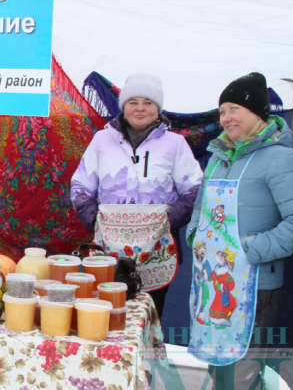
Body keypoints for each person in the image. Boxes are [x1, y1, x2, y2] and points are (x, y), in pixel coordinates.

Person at [185, 72, 293, 389]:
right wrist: (195, 237)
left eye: (234, 109)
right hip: (214, 282)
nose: (225, 118)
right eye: (222, 111)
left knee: (241, 371)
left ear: (256, 112)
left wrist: (248, 252)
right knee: (220, 368)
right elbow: (201, 209)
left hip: (255, 287)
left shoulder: (281, 158)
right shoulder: (218, 158)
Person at [71, 72, 203, 319]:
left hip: (157, 248)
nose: (140, 108)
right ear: (124, 107)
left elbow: (195, 188)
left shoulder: (175, 144)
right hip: (108, 247)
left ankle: (147, 358)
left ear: (158, 108)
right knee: (106, 313)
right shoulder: (102, 140)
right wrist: (94, 218)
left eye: (148, 102)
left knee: (148, 317)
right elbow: (80, 185)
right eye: (133, 102)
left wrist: (170, 220)